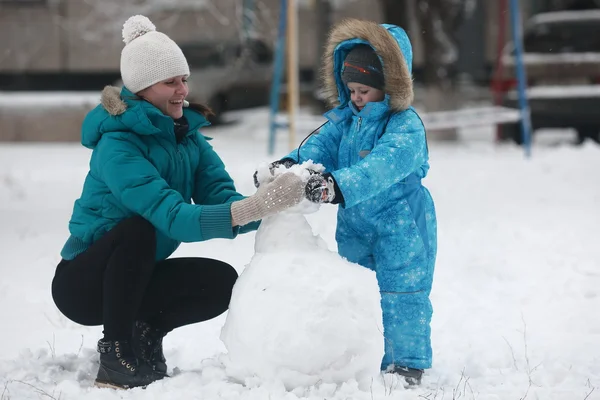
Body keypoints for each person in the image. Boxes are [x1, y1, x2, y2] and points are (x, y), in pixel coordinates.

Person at [51, 15, 306, 390]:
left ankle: (143, 332)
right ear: (141, 89)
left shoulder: (187, 138)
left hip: (134, 275)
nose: (182, 90)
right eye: (170, 82)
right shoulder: (117, 146)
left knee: (219, 281)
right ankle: (115, 353)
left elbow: (220, 197)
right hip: (83, 286)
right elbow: (171, 216)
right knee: (139, 229)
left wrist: (266, 200)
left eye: (184, 79)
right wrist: (256, 208)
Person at [258, 19, 437, 385]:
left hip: (401, 222)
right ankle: (364, 355)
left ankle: (407, 362)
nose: (356, 97)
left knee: (402, 292)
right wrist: (291, 167)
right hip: (355, 222)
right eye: (351, 89)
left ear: (390, 87)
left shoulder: (405, 126)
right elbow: (318, 147)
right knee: (359, 290)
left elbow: (380, 167)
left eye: (365, 90)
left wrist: (334, 185)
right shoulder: (345, 121)